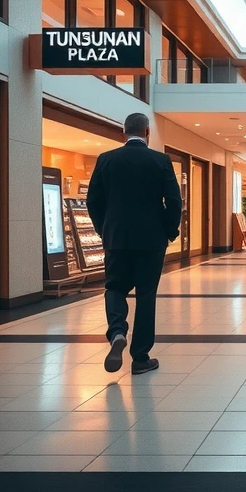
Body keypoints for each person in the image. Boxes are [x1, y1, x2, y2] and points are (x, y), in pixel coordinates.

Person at [86, 112, 182, 375]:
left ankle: (117, 331)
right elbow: (174, 202)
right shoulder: (160, 161)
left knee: (115, 287)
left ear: (123, 132)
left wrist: (103, 229)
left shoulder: (106, 160)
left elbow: (92, 201)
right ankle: (140, 358)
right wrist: (169, 232)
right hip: (151, 240)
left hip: (116, 238)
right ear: (148, 132)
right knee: (146, 294)